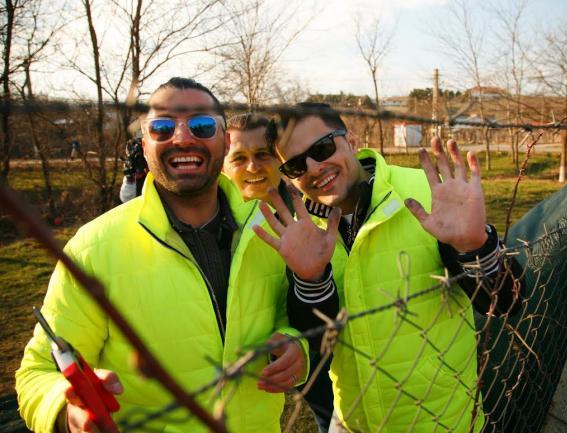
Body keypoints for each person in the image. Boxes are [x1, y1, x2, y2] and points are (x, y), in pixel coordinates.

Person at [15, 78, 309, 433]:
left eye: (201, 126)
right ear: (145, 145)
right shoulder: (93, 247)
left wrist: (296, 348)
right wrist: (66, 411)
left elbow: (288, 319)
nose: (183, 138)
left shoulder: (269, 230)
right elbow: (39, 372)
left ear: (225, 140)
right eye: (162, 127)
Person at [256, 103, 523, 432]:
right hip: (354, 423)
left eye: (322, 148)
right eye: (296, 166)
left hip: (442, 424)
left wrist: (475, 247)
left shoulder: (427, 193)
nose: (313, 167)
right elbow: (317, 335)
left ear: (351, 142)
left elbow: (507, 302)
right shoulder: (301, 231)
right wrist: (311, 280)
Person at [223, 112, 336, 433]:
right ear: (222, 164)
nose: (253, 167)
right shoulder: (212, 227)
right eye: (239, 158)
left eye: (263, 155)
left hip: (314, 349)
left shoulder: (311, 213)